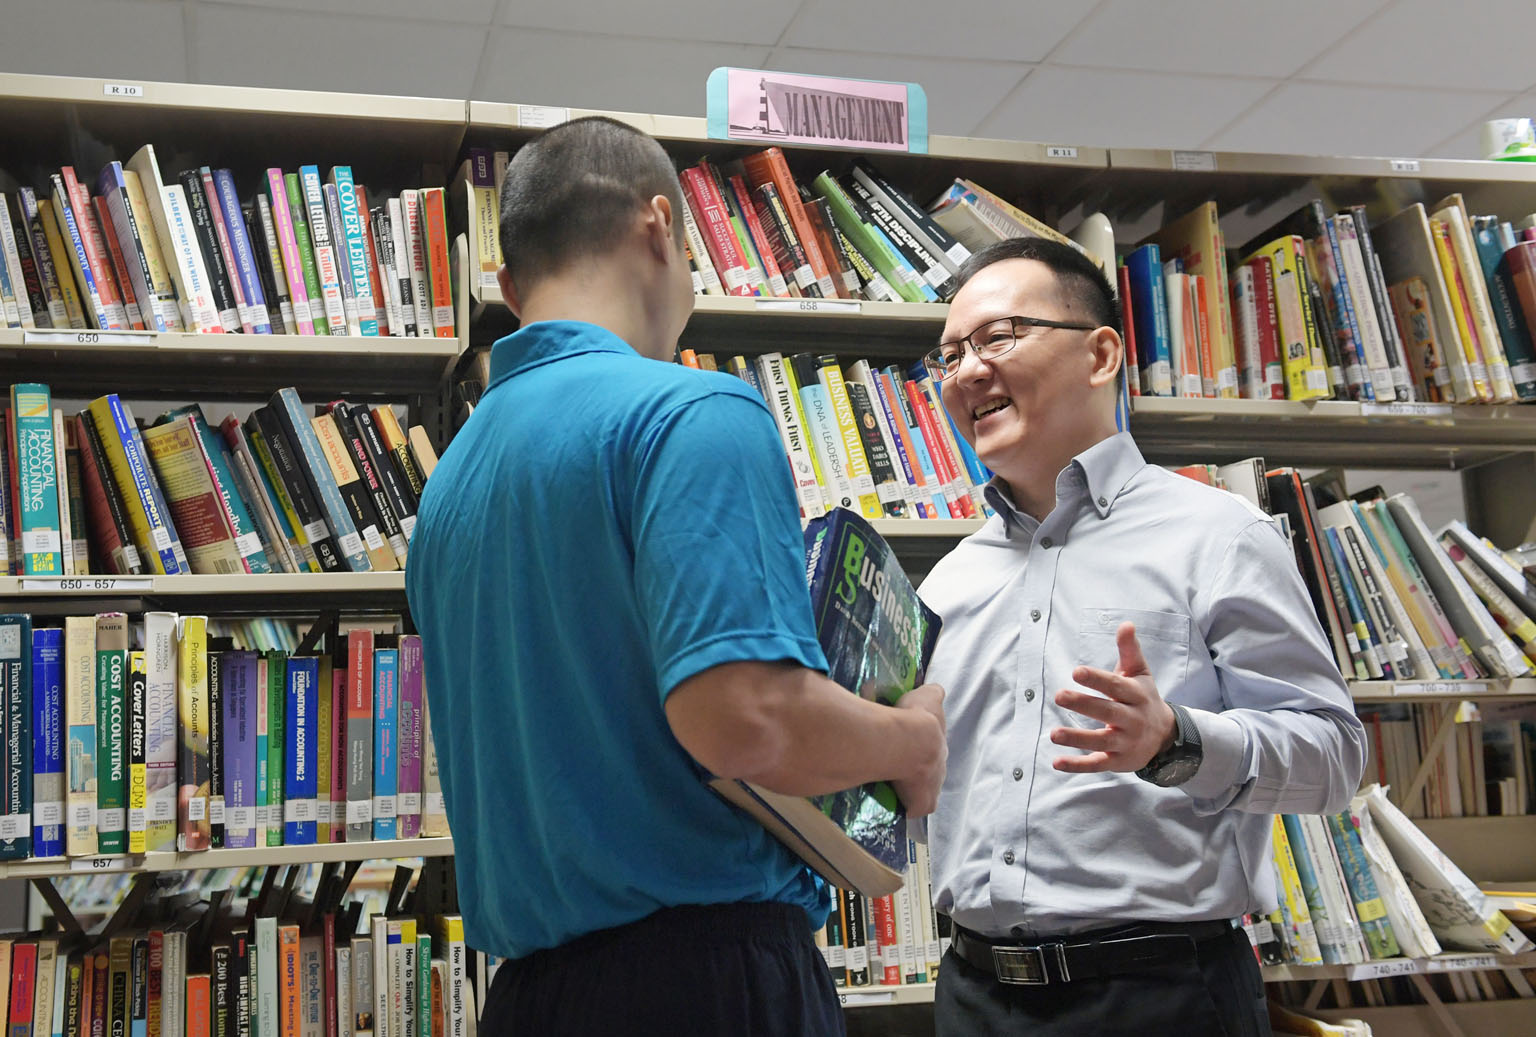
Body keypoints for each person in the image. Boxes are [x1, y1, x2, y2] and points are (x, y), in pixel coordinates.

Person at [403, 116, 947, 1037]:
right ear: (660, 226)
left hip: (530, 997)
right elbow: (743, 716)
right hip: (707, 986)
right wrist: (910, 743)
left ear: (508, 284)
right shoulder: (692, 412)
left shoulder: (448, 488)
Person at [917, 237, 1367, 1037]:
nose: (965, 372)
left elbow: (1336, 756)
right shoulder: (947, 582)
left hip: (1161, 997)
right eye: (947, 355)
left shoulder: (1219, 536)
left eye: (996, 338)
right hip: (975, 996)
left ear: (1100, 353)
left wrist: (1178, 741)